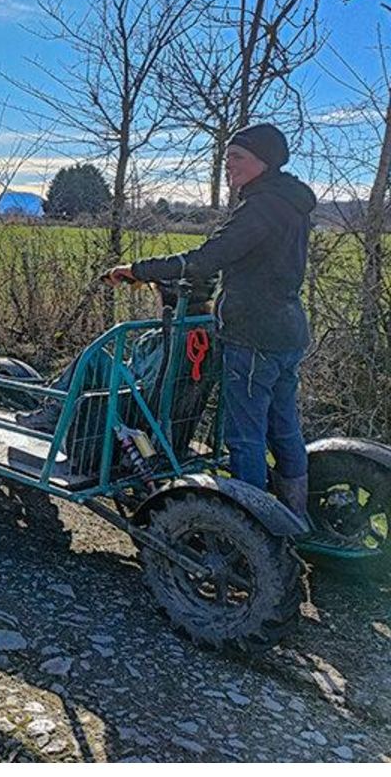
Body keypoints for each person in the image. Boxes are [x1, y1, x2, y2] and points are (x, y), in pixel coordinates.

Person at [105, 124, 317, 516]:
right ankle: (296, 514)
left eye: (237, 157)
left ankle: (251, 526)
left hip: (253, 333)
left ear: (263, 161)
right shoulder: (291, 203)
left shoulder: (262, 206)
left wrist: (138, 269)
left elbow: (206, 258)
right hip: (287, 330)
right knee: (284, 428)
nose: (228, 165)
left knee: (245, 436)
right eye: (227, 157)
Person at [16, 276, 215, 434]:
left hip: (138, 408)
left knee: (93, 359)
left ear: (167, 300)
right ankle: (55, 394)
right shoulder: (204, 332)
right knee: (100, 363)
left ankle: (52, 410)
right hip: (164, 412)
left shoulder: (171, 336)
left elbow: (144, 383)